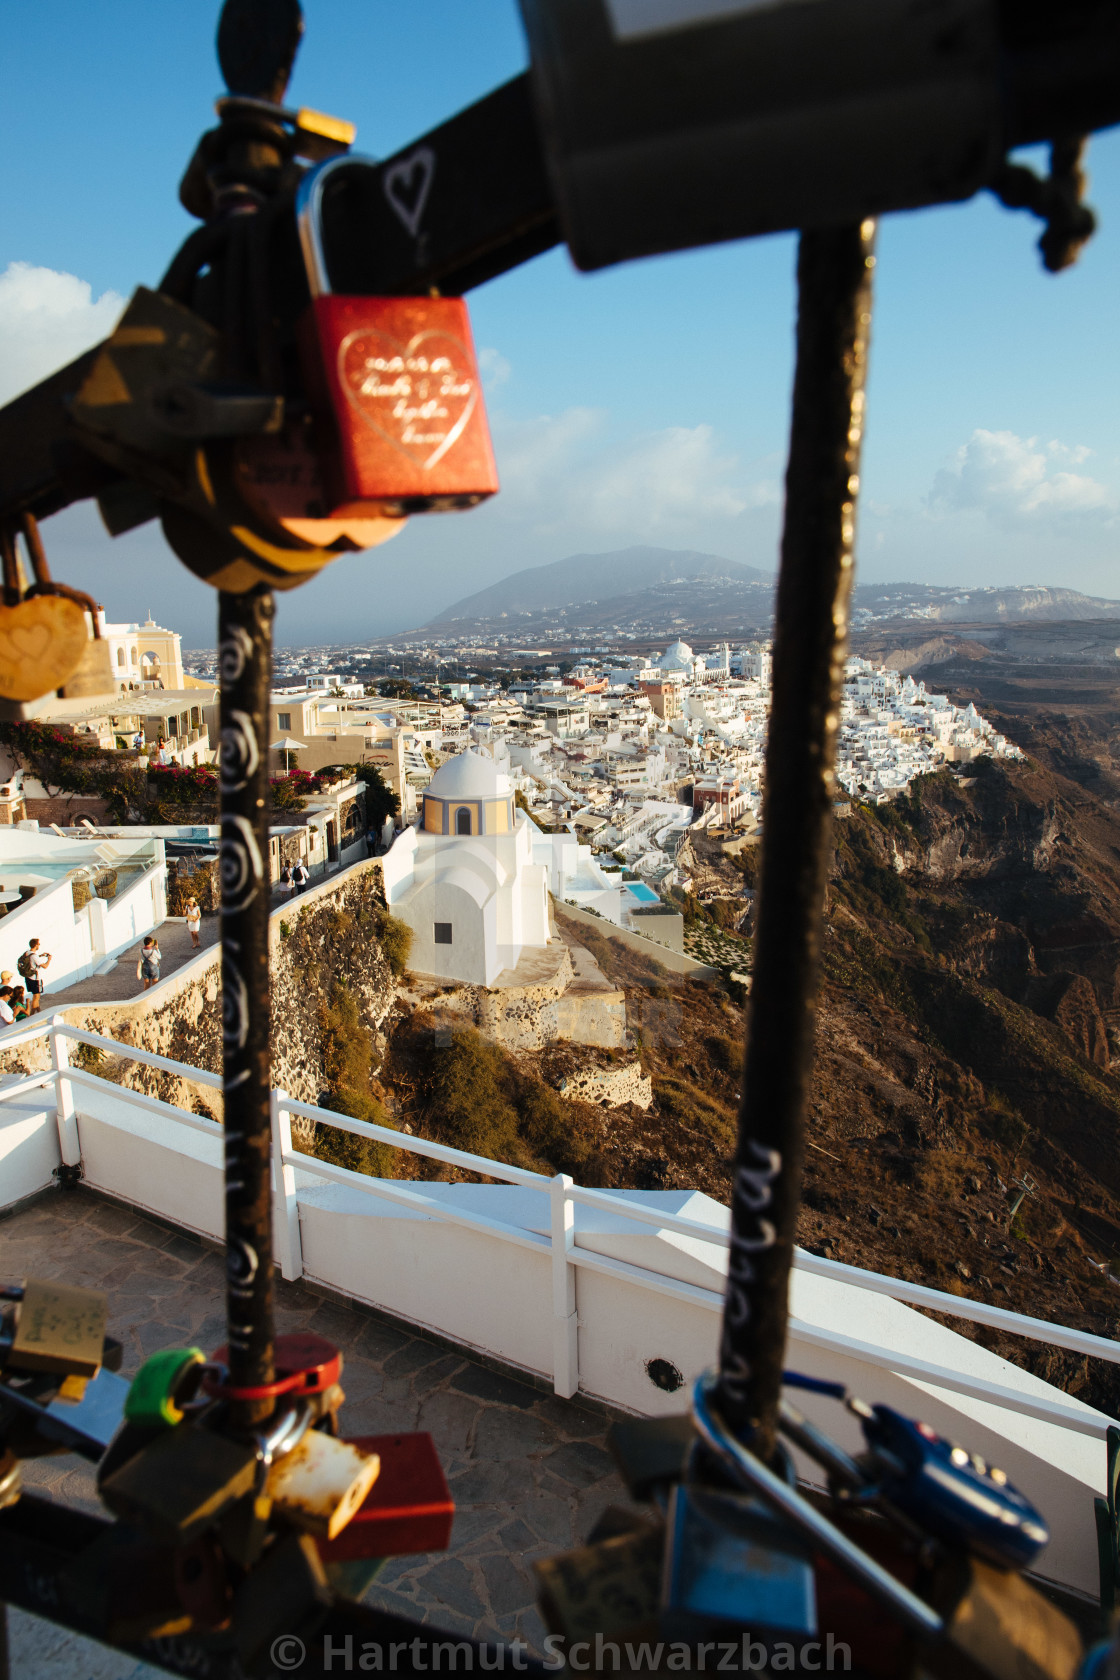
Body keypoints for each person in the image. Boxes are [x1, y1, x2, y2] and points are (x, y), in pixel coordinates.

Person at [20, 939, 50, 1013]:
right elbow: (45, 966)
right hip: (35, 979)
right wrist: (49, 959)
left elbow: (31, 959)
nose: (39, 945)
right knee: (36, 997)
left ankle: (39, 1012)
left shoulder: (27, 953)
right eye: (38, 944)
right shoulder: (34, 956)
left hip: (28, 977)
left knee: (35, 996)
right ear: (36, 945)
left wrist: (41, 955)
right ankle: (32, 1015)